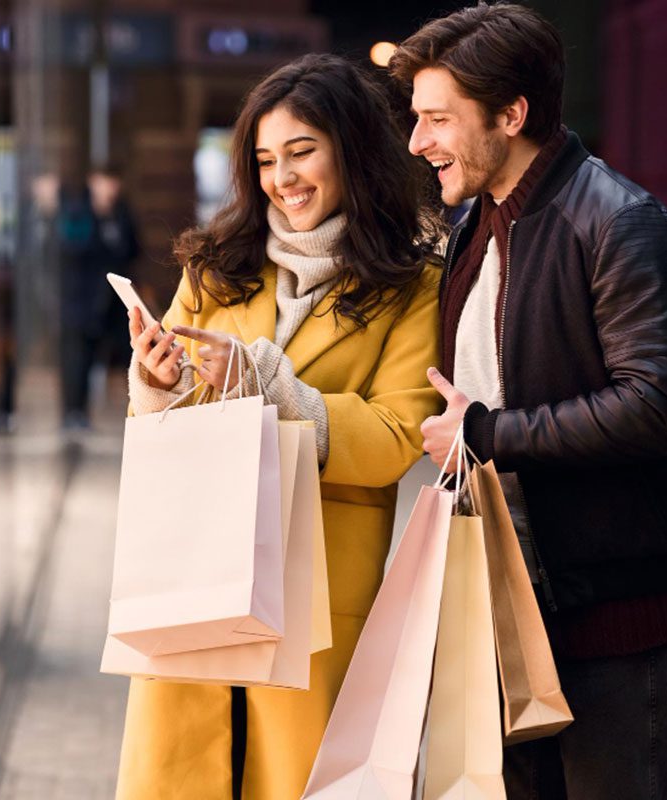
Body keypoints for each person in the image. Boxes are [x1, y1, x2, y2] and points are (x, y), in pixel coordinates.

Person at [391, 4, 667, 798]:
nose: (416, 141)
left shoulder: (621, 222)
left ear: (511, 113)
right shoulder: (478, 227)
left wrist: (490, 432)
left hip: (601, 609)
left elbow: (660, 406)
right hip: (501, 598)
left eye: (437, 119)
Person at [115, 54, 444, 799]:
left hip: (318, 587)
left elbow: (397, 435)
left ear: (352, 153)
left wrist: (268, 385)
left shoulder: (413, 285)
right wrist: (158, 384)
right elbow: (162, 418)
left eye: (302, 152)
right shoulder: (214, 267)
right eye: (265, 160)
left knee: (303, 778)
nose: (282, 178)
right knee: (189, 771)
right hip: (197, 572)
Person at [57, 165, 140, 428]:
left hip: (114, 300)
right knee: (79, 357)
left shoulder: (122, 213)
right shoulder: (78, 211)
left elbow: (132, 250)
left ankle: (142, 404)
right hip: (83, 298)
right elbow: (72, 249)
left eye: (113, 183)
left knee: (129, 353)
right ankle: (74, 412)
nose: (109, 189)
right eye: (103, 182)